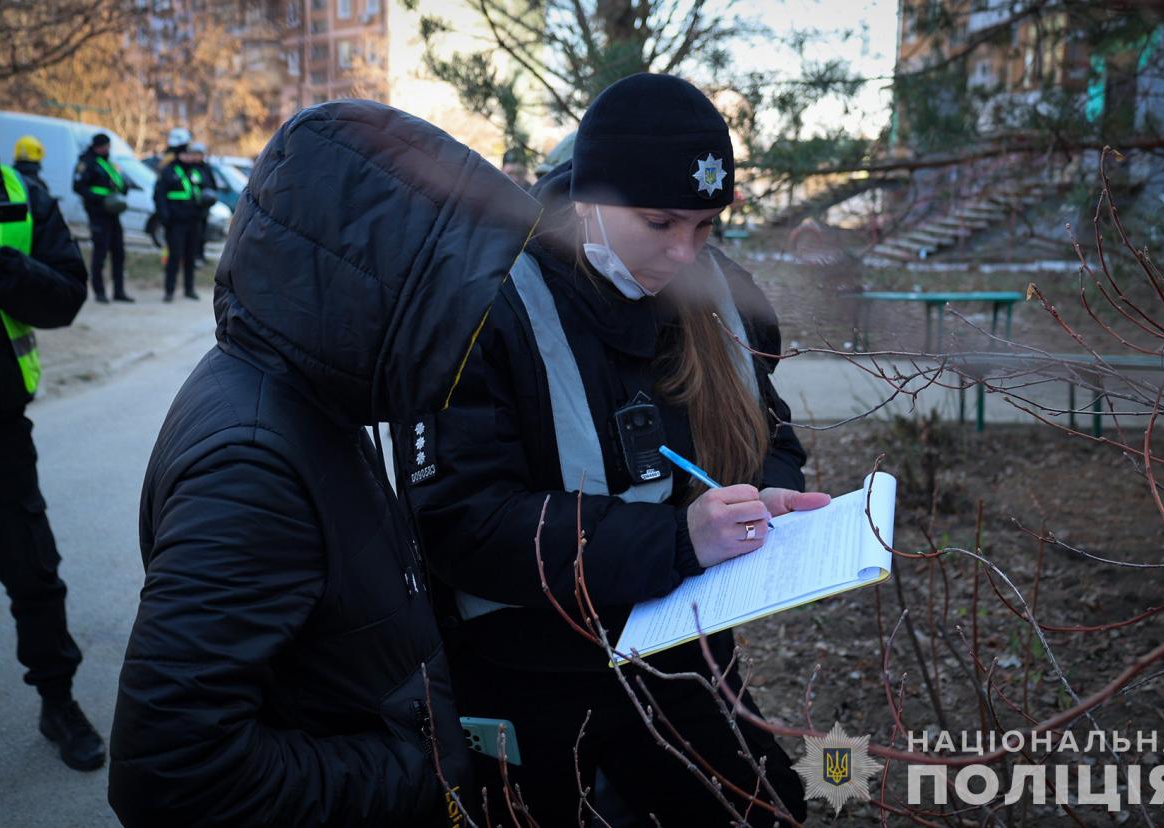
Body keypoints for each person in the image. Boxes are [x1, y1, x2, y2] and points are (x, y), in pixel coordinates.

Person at [405, 73, 828, 825]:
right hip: (528, 667)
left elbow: (774, 434)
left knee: (766, 810)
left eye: (705, 226)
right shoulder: (489, 301)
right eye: (660, 222)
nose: (682, 252)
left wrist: (767, 489)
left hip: (683, 651)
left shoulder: (717, 288)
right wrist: (674, 537)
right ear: (590, 198)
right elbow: (463, 521)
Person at [107, 99, 542, 826]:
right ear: (373, 280)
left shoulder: (317, 392)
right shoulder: (252, 464)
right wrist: (414, 771)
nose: (473, 322)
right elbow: (172, 773)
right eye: (452, 292)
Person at [0, 150, 106, 771]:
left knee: (34, 574)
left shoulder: (18, 191)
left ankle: (57, 701)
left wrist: (3, 265)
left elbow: (66, 295)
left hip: (0, 431)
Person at [73, 132, 132, 303]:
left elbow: (119, 184)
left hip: (113, 215)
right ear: (98, 146)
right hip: (98, 214)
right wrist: (100, 200)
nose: (108, 148)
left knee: (118, 253)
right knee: (100, 252)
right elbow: (78, 186)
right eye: (105, 145)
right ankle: (99, 291)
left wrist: (123, 188)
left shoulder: (109, 163)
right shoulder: (87, 163)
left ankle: (118, 291)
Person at [152, 127, 202, 301]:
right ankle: (169, 290)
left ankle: (189, 289)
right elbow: (159, 195)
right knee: (174, 257)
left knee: (190, 256)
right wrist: (165, 217)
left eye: (191, 155)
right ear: (179, 155)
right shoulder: (169, 171)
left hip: (193, 221)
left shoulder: (195, 171)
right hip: (176, 222)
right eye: (186, 155)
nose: (189, 158)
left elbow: (203, 192)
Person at [187, 141, 217, 265]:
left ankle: (200, 254)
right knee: (192, 233)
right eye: (195, 154)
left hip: (203, 208)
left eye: (199, 154)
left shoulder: (207, 168)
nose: (197, 157)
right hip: (192, 207)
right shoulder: (189, 168)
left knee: (202, 233)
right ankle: (191, 255)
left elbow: (212, 185)